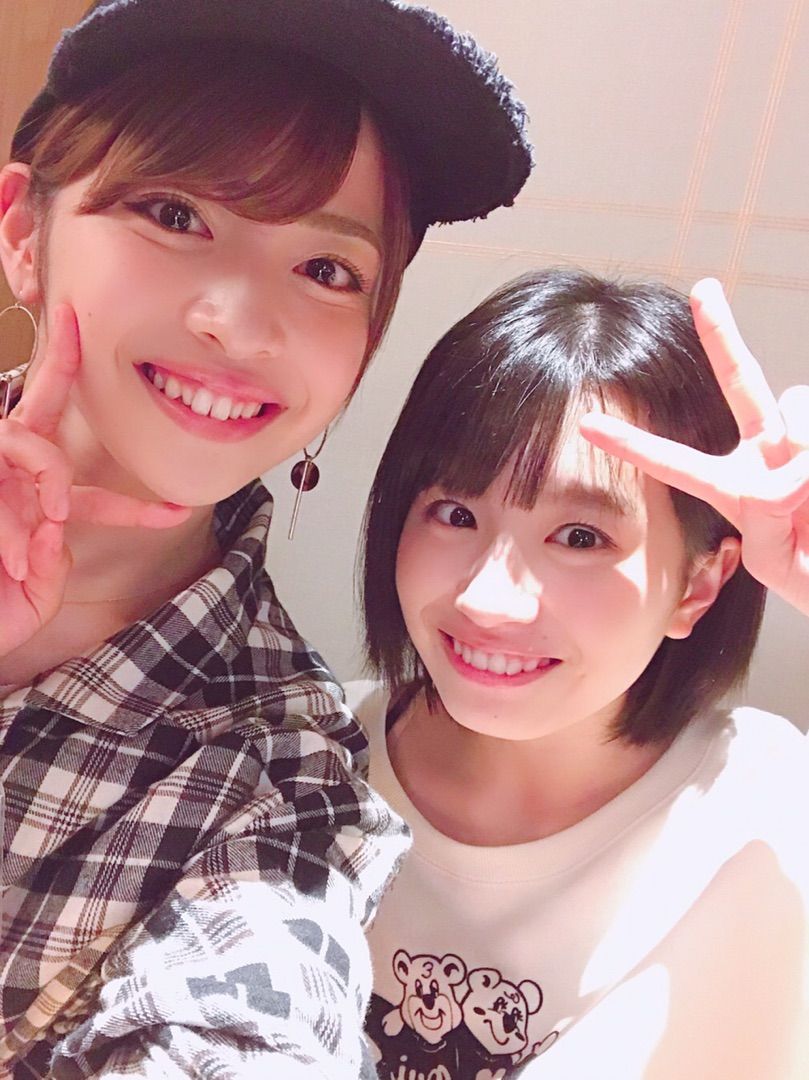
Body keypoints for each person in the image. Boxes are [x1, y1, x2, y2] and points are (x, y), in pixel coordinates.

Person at [0, 1, 533, 1075]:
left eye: (328, 271)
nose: (240, 325)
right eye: (174, 213)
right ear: (24, 234)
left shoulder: (276, 780)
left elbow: (255, 1015)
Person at [352, 268, 809, 1080]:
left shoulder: (769, 812)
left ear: (698, 584)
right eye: (455, 514)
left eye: (579, 538)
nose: (487, 599)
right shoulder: (294, 763)